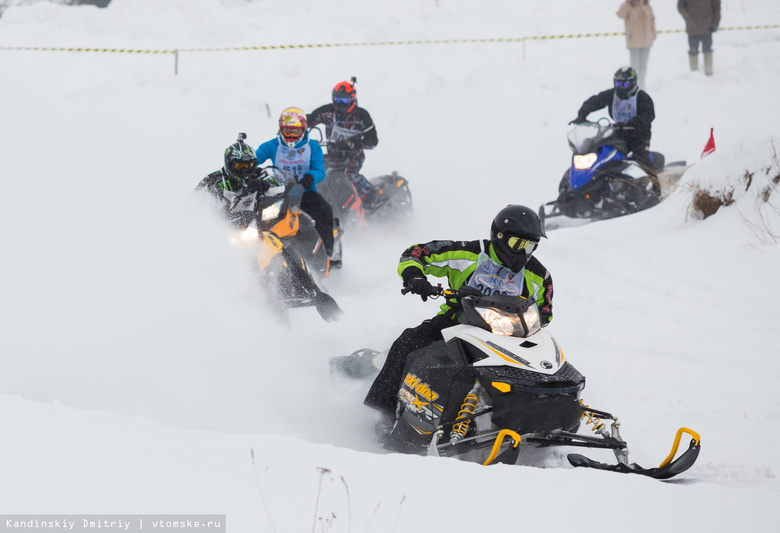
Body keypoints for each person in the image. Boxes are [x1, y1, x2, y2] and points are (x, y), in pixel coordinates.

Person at [364, 205, 553, 430]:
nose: (524, 253)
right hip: (458, 323)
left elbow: (546, 312)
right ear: (500, 237)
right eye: (518, 244)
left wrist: (534, 317)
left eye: (530, 245)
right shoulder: (468, 253)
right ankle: (383, 413)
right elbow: (416, 253)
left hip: (510, 334)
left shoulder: (539, 275)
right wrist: (415, 277)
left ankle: (544, 411)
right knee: (407, 343)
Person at [255, 107, 338, 264]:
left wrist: (309, 177)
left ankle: (328, 255)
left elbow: (320, 170)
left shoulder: (312, 147)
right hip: (277, 192)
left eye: (296, 131)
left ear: (303, 130)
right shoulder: (273, 145)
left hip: (304, 192)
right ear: (281, 129)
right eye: (288, 131)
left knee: (325, 210)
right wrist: (247, 167)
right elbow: (256, 157)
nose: (292, 136)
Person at [569, 66, 658, 190]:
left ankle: (656, 190)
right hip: (618, 132)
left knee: (641, 158)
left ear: (632, 84)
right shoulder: (612, 95)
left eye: (625, 85)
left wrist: (634, 123)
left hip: (639, 135)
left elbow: (649, 114)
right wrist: (582, 114)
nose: (621, 88)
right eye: (618, 84)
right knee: (594, 149)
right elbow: (595, 101)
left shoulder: (642, 97)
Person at [307, 79, 379, 204]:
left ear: (352, 99)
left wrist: (357, 142)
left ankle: (371, 197)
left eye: (344, 101)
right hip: (332, 155)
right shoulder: (327, 112)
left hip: (353, 157)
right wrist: (292, 126)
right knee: (314, 170)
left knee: (348, 175)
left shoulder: (361, 116)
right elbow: (309, 119)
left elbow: (373, 141)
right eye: (337, 100)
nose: (340, 104)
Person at [195, 134, 281, 220]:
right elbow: (195, 204)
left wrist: (264, 185)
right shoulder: (213, 180)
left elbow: (281, 188)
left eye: (249, 166)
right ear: (230, 164)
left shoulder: (258, 173)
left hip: (255, 222)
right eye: (240, 166)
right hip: (224, 224)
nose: (245, 170)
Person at [616, 0, 656, 89]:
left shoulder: (646, 5)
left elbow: (652, 20)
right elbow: (619, 14)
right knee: (634, 67)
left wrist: (653, 34)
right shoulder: (629, 5)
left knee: (643, 67)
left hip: (647, 41)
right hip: (634, 41)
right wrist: (627, 4)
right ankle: (634, 85)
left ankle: (642, 85)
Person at [678, 0, 721, 76]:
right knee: (693, 51)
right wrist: (687, 16)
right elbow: (680, 6)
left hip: (707, 28)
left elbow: (717, 7)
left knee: (707, 50)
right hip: (692, 29)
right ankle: (694, 74)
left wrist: (715, 23)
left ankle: (709, 72)